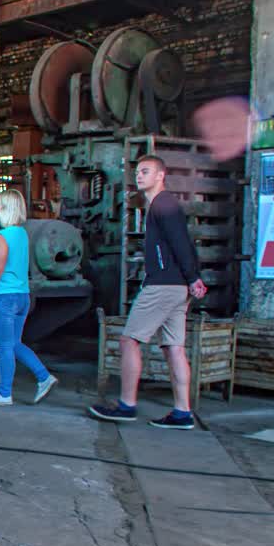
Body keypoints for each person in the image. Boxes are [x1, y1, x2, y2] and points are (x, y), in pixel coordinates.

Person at [89, 155, 207, 429]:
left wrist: (193, 277)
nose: (139, 176)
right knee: (174, 347)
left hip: (163, 285)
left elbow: (180, 243)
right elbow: (187, 244)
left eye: (145, 171)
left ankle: (126, 405)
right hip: (177, 287)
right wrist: (192, 279)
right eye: (138, 171)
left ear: (160, 176)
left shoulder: (163, 204)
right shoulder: (162, 205)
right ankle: (182, 412)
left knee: (129, 340)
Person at [0, 190, 58, 406]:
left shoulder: (2, 237)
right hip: (21, 296)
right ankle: (44, 377)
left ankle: (4, 394)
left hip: (3, 298)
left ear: (5, 209)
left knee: (3, 347)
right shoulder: (21, 234)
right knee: (13, 343)